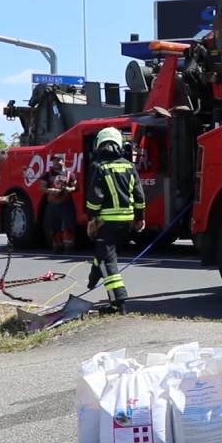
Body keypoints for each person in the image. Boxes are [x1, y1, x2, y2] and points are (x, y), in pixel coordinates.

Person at [84, 127, 145, 312]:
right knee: (104, 253)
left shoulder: (98, 166)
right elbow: (139, 195)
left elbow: (95, 197)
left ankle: (118, 302)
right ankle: (93, 279)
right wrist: (140, 217)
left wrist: (92, 218)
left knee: (108, 262)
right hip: (126, 222)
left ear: (99, 144)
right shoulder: (129, 166)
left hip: (106, 222)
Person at [40, 153, 78, 253]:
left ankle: (68, 247)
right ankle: (57, 247)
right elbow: (42, 187)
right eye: (54, 161)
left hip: (66, 204)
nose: (55, 163)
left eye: (58, 160)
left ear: (63, 161)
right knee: (54, 226)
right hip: (52, 204)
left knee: (68, 225)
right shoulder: (47, 175)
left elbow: (75, 187)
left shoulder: (70, 175)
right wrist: (52, 191)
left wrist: (69, 189)